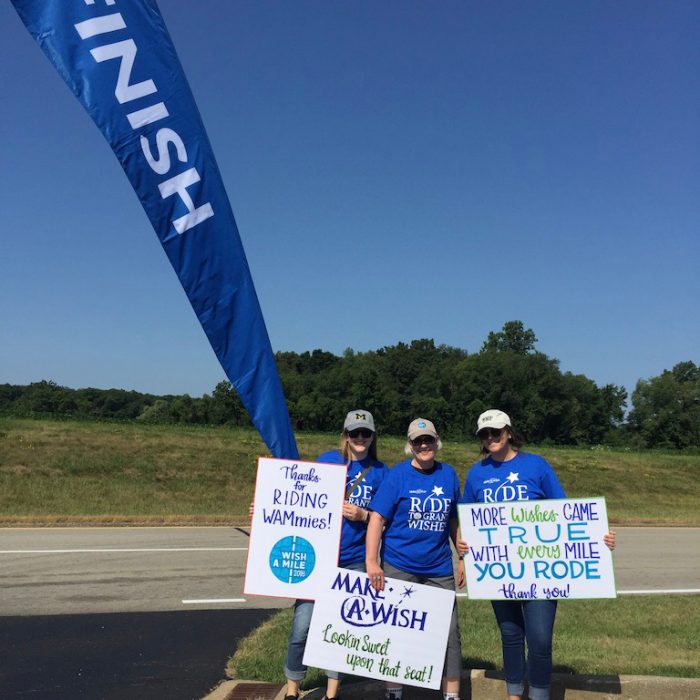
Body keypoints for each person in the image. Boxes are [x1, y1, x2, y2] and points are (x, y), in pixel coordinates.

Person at [460, 409, 616, 700]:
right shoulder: (476, 473)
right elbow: (467, 519)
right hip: (500, 569)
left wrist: (598, 540)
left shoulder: (536, 465)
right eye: (485, 433)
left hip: (540, 569)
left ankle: (540, 694)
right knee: (510, 634)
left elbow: (567, 514)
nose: (490, 437)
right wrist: (462, 550)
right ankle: (514, 693)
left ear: (508, 432)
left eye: (495, 431)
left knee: (541, 639)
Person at [283, 409, 388, 700]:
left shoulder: (380, 471)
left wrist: (364, 514)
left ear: (372, 436)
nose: (360, 438)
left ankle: (332, 693)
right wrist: (264, 509)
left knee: (338, 630)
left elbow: (384, 517)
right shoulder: (328, 460)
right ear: (345, 435)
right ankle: (292, 690)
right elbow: (299, 496)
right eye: (354, 433)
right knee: (302, 627)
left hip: (354, 560)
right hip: (319, 560)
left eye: (365, 433)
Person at [366, 418, 463, 700]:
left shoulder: (449, 475)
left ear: (436, 442)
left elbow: (454, 520)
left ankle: (452, 694)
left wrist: (463, 558)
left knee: (449, 634)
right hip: (399, 565)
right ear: (410, 445)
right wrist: (372, 561)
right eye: (418, 441)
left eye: (428, 440)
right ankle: (393, 691)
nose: (424, 445)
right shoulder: (397, 476)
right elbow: (376, 519)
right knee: (396, 631)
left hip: (439, 569)